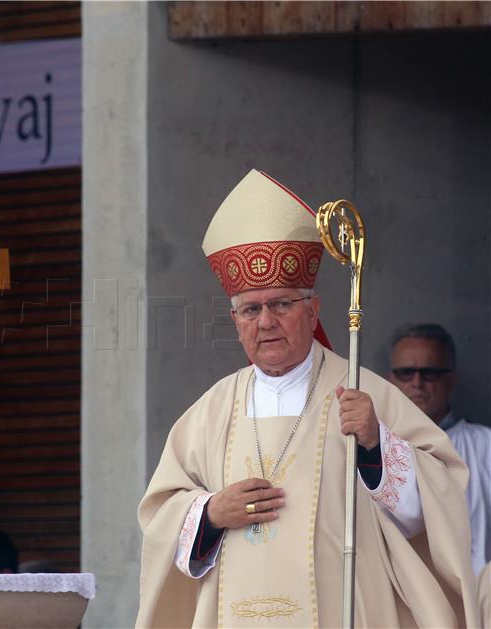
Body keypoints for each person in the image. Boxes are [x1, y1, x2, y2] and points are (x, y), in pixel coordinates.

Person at [136, 170, 479, 628]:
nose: (266, 322)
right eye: (251, 310)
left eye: (281, 304)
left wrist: (377, 447)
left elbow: (442, 500)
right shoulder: (211, 411)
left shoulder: (365, 393)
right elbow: (159, 515)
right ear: (235, 321)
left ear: (312, 311)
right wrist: (210, 512)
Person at [389, 323, 491, 575]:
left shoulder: (486, 446)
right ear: (391, 380)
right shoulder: (373, 449)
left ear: (451, 378)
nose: (417, 382)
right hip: (399, 601)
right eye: (405, 372)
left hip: (476, 600)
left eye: (430, 372)